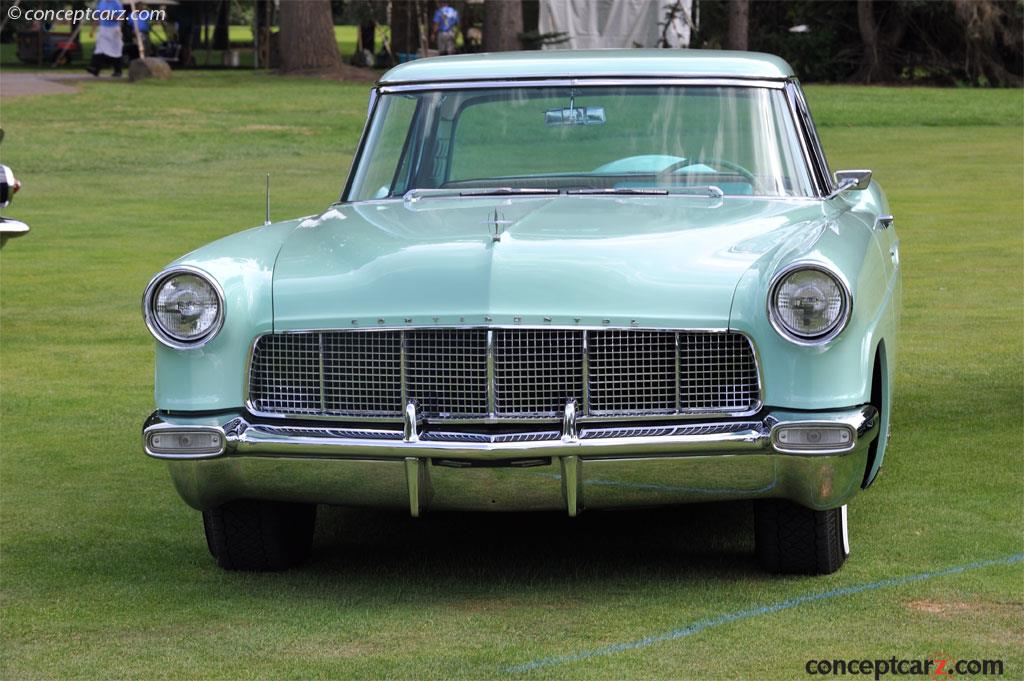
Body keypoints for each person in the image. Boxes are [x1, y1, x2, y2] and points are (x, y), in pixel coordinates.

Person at [86, 0, 124, 77]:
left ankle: (118, 70)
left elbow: (121, 18)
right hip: (103, 28)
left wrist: (110, 16)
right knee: (99, 48)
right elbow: (97, 17)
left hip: (113, 29)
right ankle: (94, 68)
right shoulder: (101, 3)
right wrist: (92, 30)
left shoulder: (116, 3)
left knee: (115, 50)